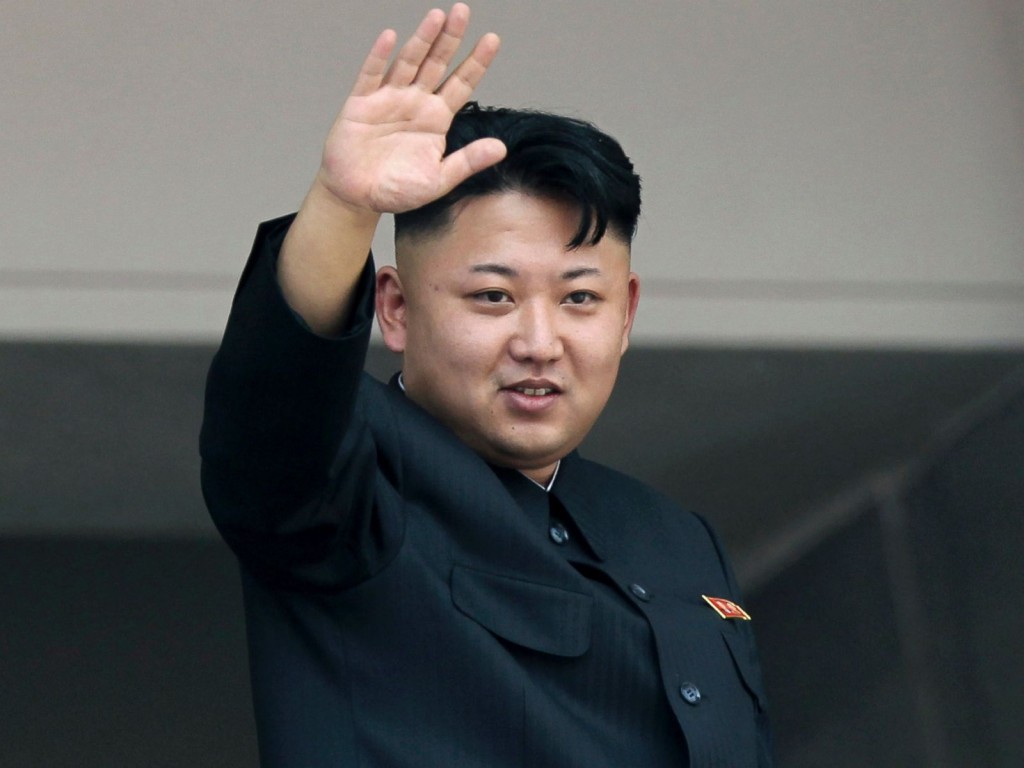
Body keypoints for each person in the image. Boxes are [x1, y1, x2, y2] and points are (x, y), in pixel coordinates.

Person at [201, 4, 773, 766]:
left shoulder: (672, 536)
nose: (539, 343)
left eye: (579, 299)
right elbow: (276, 406)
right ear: (395, 309)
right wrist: (343, 208)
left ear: (627, 312)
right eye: (493, 297)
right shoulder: (351, 486)